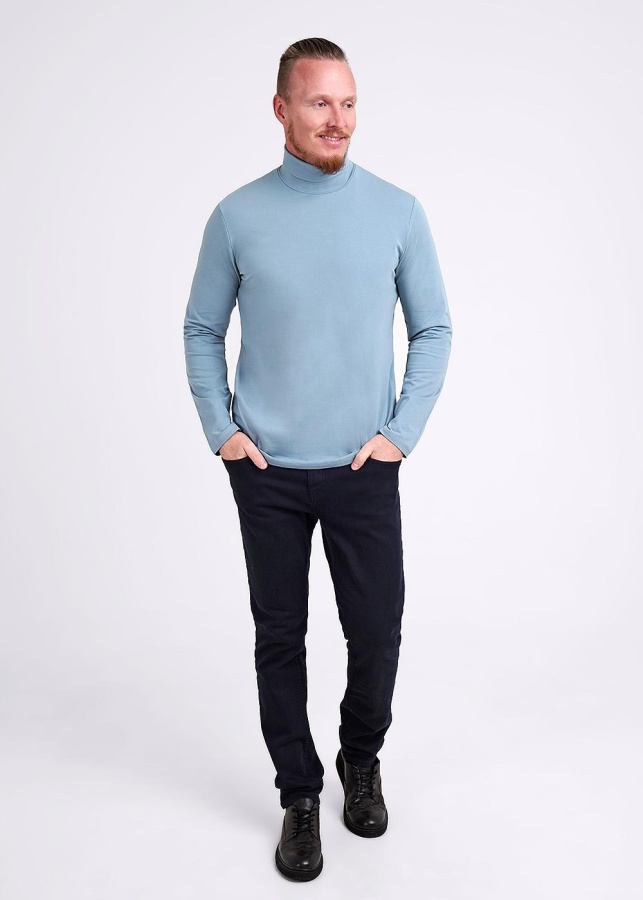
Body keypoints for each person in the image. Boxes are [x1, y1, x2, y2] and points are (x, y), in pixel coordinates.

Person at [183, 37, 452, 882]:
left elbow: (433, 328)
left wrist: (399, 434)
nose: (337, 120)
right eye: (318, 103)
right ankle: (298, 795)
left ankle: (358, 758)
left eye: (348, 102)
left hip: (363, 468)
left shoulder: (397, 211)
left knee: (375, 631)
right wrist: (222, 430)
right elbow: (201, 328)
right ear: (281, 110)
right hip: (266, 471)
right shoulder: (236, 216)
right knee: (280, 636)